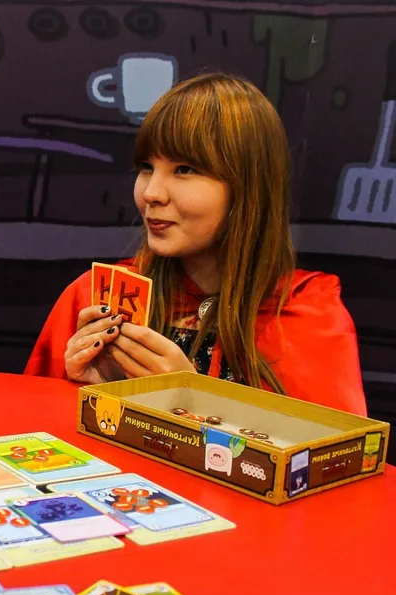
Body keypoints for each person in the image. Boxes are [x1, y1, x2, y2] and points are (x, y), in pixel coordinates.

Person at [25, 72, 367, 416]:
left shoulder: (304, 317)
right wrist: (94, 393)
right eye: (146, 167)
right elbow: (28, 431)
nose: (151, 193)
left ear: (247, 187)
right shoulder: (95, 298)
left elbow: (328, 447)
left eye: (184, 169)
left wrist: (194, 401)